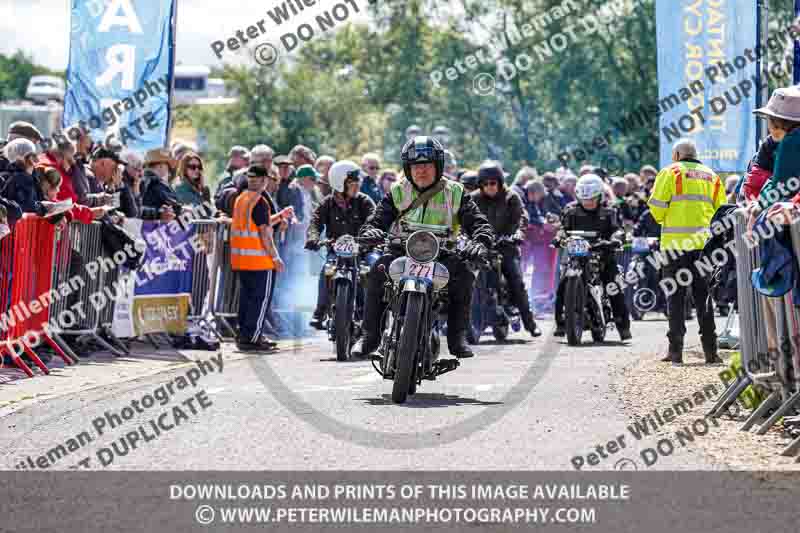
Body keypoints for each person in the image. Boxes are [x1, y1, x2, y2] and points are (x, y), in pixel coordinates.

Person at [353, 136, 494, 359]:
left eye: (427, 165)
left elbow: (478, 222)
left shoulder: (456, 192)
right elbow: (377, 218)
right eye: (416, 166)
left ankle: (458, 337)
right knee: (377, 271)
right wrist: (370, 231)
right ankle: (369, 335)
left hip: (443, 253)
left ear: (437, 165)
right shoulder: (398, 191)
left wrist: (481, 241)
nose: (421, 170)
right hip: (401, 250)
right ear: (408, 169)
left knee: (465, 276)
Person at [648, 138, 724, 365]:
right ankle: (711, 352)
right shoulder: (712, 176)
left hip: (675, 247)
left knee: (676, 298)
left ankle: (675, 352)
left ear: (676, 155)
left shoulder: (669, 172)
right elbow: (722, 212)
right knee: (705, 298)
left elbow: (657, 210)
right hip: (704, 247)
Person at [554, 174, 632, 341]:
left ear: (599, 196)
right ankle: (561, 323)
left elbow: (617, 229)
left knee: (613, 284)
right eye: (584, 199)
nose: (588, 202)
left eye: (591, 199)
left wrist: (615, 239)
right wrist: (559, 237)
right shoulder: (570, 210)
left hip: (602, 254)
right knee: (562, 283)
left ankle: (622, 325)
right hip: (577, 256)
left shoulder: (610, 211)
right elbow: (563, 229)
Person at [471, 161, 541, 337]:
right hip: (481, 246)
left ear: (500, 182)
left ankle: (530, 323)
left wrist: (518, 234)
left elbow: (522, 218)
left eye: (493, 183)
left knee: (516, 281)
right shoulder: (473, 199)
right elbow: (465, 219)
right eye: (485, 184)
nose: (489, 187)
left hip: (506, 245)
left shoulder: (511, 197)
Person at [305, 160, 375, 329]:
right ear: (340, 183)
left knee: (375, 267)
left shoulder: (364, 201)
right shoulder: (327, 203)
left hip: (362, 250)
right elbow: (315, 222)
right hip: (336, 251)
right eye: (353, 182)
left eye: (358, 181)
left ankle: (374, 312)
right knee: (325, 270)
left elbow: (375, 219)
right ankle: (320, 311)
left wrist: (372, 234)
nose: (358, 185)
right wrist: (313, 237)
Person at [231, 165, 286, 352]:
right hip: (260, 260)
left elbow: (257, 223)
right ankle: (253, 338)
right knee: (260, 301)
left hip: (241, 260)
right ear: (264, 180)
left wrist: (279, 217)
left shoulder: (241, 199)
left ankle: (245, 335)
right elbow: (264, 233)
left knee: (247, 299)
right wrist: (276, 257)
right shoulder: (260, 201)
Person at [140, 149, 181, 222]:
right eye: (168, 166)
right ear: (160, 166)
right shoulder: (155, 183)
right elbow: (173, 205)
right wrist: (181, 209)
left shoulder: (145, 180)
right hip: (154, 226)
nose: (168, 170)